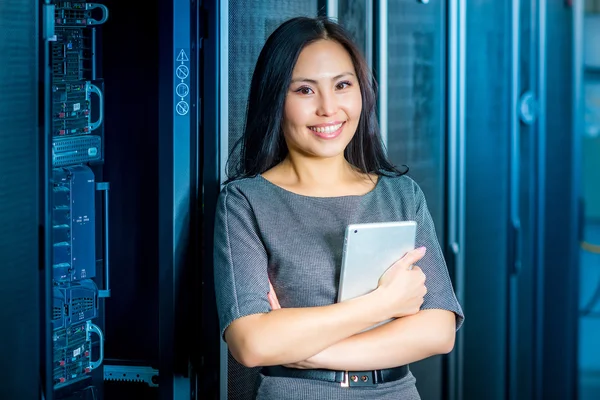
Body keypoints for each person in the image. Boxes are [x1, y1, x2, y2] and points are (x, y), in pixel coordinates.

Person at [213, 16, 464, 400]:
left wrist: (308, 350)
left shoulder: (401, 195)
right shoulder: (245, 201)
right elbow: (251, 342)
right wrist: (382, 304)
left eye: (343, 85)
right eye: (305, 91)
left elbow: (438, 330)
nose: (329, 108)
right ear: (275, 98)